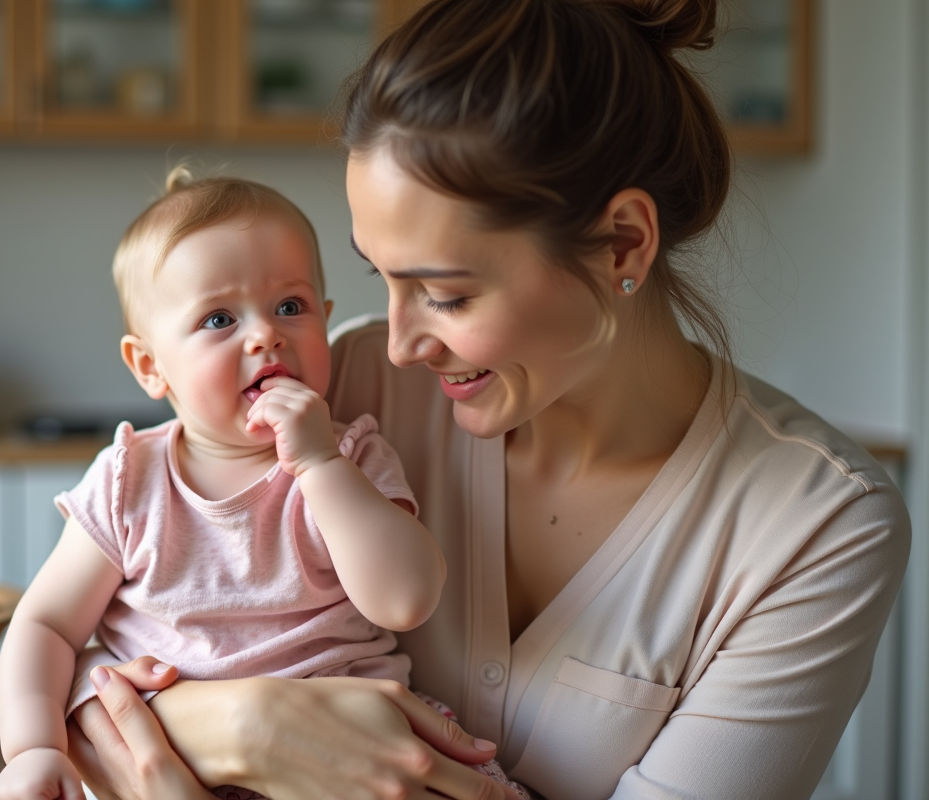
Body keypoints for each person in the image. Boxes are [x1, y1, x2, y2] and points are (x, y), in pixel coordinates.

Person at [62, 0, 912, 798]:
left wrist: (203, 739)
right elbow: (87, 667)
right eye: (380, 279)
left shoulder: (820, 526)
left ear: (623, 243)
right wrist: (240, 724)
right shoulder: (341, 392)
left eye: (447, 294)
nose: (397, 341)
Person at [0, 170, 527, 800]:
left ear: (323, 324)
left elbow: (405, 600)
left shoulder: (349, 455)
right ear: (150, 366)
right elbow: (47, 626)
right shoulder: (128, 481)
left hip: (347, 759)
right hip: (177, 766)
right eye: (219, 318)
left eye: (290, 307)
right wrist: (32, 749)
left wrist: (320, 467)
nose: (264, 334)